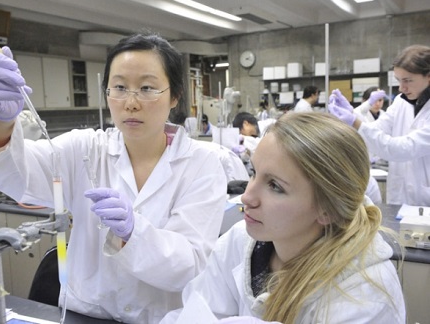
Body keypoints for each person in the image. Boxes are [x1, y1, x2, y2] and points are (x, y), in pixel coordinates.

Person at [0, 33, 227, 323]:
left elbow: (190, 265)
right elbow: (15, 173)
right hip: (85, 315)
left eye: (146, 88)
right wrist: (1, 122)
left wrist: (135, 233)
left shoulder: (202, 164)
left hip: (162, 319)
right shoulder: (85, 149)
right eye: (119, 87)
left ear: (175, 96)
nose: (131, 103)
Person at [161, 112, 405, 324]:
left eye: (275, 186)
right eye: (254, 173)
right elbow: (196, 311)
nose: (247, 197)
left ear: (326, 209)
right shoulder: (240, 242)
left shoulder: (365, 292)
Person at [329, 44, 430, 206]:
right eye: (398, 80)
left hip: (424, 200)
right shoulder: (401, 101)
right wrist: (353, 114)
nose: (401, 88)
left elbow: (403, 148)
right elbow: (378, 128)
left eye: (408, 80)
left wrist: (355, 122)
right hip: (399, 196)